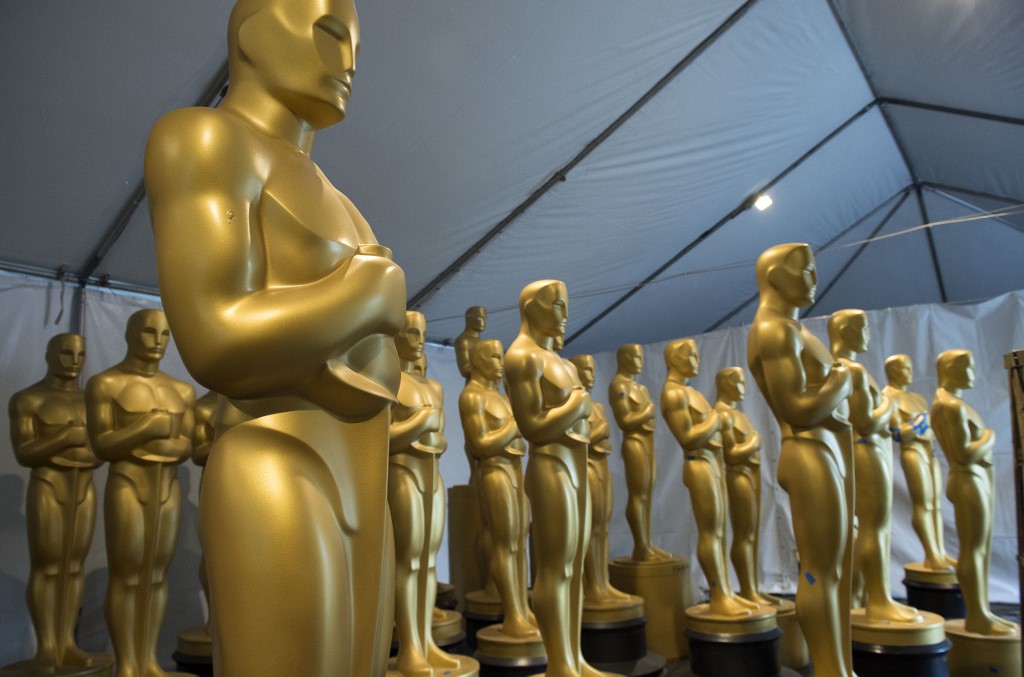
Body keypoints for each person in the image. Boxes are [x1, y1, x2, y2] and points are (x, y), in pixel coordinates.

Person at [144, 0, 407, 673]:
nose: (347, 61)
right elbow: (212, 337)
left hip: (362, 480)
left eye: (354, 45)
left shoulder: (342, 199)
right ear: (253, 33)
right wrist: (358, 297)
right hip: (278, 465)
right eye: (328, 34)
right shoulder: (206, 139)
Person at [747, 243, 855, 676]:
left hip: (826, 451)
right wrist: (843, 383)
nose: (814, 279)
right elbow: (796, 408)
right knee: (820, 570)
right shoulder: (774, 331)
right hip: (808, 451)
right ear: (775, 276)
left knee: (835, 568)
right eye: (804, 271)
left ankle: (839, 665)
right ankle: (830, 667)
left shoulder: (794, 329)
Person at [505, 280, 612, 677]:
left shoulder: (562, 363)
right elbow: (531, 426)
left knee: (575, 565)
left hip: (577, 462)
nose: (565, 316)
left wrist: (575, 409)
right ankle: (560, 663)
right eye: (556, 306)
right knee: (555, 567)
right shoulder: (521, 357)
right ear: (533, 308)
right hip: (551, 464)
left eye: (566, 306)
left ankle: (575, 657)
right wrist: (576, 405)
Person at [86, 309, 196, 677]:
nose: (157, 341)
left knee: (155, 576)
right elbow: (102, 446)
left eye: (165, 334)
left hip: (167, 488)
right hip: (127, 484)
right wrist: (150, 426)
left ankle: (147, 659)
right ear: (130, 334)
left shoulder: (180, 390)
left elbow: (187, 447)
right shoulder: (105, 384)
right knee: (127, 575)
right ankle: (126, 663)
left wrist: (144, 440)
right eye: (149, 332)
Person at [8, 333, 104, 670]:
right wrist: (67, 436)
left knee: (73, 565)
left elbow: (99, 453)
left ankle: (66, 643)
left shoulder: (90, 400)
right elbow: (25, 453)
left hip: (83, 487)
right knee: (48, 565)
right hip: (48, 485)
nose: (73, 360)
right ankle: (47, 646)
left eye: (79, 354)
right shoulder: (28, 400)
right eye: (65, 353)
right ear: (50, 354)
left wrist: (75, 445)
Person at [390, 312, 471, 676]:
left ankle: (425, 644)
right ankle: (410, 649)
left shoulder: (432, 387)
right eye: (410, 332)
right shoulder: (385, 381)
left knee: (428, 562)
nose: (418, 338)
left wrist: (427, 431)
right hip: (401, 472)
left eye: (421, 331)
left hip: (431, 475)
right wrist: (420, 423)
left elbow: (442, 440)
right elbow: (378, 441)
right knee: (407, 562)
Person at [662, 340, 754, 617]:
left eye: (696, 354)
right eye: (689, 355)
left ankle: (725, 590)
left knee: (721, 531)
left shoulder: (691, 393)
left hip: (713, 463)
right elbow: (688, 437)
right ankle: (718, 593)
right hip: (698, 463)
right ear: (674, 359)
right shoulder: (673, 394)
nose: (696, 360)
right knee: (711, 531)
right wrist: (714, 421)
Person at [931, 349, 1017, 636]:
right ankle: (977, 614)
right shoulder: (948, 406)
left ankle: (982, 610)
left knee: (980, 547)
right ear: (950, 370)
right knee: (973, 548)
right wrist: (989, 437)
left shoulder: (953, 403)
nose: (972, 374)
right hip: (967, 478)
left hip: (974, 478)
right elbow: (965, 453)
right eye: (966, 368)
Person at [460, 339, 536, 638]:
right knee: (505, 543)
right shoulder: (472, 397)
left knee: (519, 541)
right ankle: (513, 611)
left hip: (516, 470)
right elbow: (480, 444)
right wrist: (514, 427)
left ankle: (522, 606)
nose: (500, 362)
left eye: (501, 356)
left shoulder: (503, 397)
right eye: (493, 356)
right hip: (494, 471)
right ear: (478, 359)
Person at [570, 354, 634, 607]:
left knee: (603, 527)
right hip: (585, 467)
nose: (591, 374)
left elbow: (599, 436)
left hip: (601, 465)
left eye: (593, 369)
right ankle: (593, 584)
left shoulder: (596, 407)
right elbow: (581, 437)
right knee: (589, 529)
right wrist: (600, 432)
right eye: (585, 369)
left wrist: (597, 434)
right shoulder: (573, 404)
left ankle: (603, 581)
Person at [714, 366, 779, 607]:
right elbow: (731, 454)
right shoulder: (723, 415)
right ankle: (746, 588)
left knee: (752, 533)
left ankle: (752, 587)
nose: (743, 389)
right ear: (724, 385)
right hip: (738, 474)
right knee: (743, 534)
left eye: (743, 382)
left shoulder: (737, 414)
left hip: (751, 473)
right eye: (737, 383)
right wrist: (754, 442)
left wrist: (753, 443)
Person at [884, 354, 955, 571]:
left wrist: (918, 426)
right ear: (893, 371)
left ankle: (940, 550)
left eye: (910, 367)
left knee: (935, 504)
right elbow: (898, 434)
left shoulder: (918, 399)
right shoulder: (888, 398)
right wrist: (920, 425)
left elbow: (928, 429)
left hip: (929, 452)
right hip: (912, 451)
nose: (910, 373)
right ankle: (931, 553)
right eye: (905, 368)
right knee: (923, 503)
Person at [608, 344, 668, 562]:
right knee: (638, 494)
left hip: (647, 441)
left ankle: (648, 542)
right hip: (634, 441)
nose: (639, 361)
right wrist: (647, 411)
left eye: (640, 357)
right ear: (623, 359)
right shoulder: (618, 386)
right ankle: (640, 545)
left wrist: (645, 414)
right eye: (634, 357)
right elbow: (625, 420)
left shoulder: (639, 388)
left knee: (648, 494)